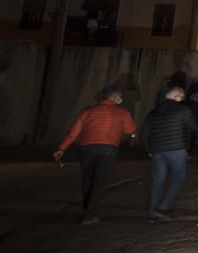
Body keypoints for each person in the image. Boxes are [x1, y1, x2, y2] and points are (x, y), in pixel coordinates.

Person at [53, 88, 136, 225]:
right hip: (108, 149)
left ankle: (88, 210)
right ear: (114, 97)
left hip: (87, 149)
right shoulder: (122, 112)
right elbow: (130, 130)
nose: (121, 99)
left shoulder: (87, 111)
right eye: (120, 97)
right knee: (100, 182)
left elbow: (73, 133)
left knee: (87, 180)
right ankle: (90, 215)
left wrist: (61, 148)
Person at [140, 86, 197, 221]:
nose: (183, 100)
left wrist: (149, 150)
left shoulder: (153, 112)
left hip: (157, 151)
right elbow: (194, 127)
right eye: (182, 97)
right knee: (178, 178)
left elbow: (144, 134)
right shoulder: (183, 110)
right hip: (176, 149)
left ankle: (152, 213)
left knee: (158, 181)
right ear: (177, 97)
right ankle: (163, 207)